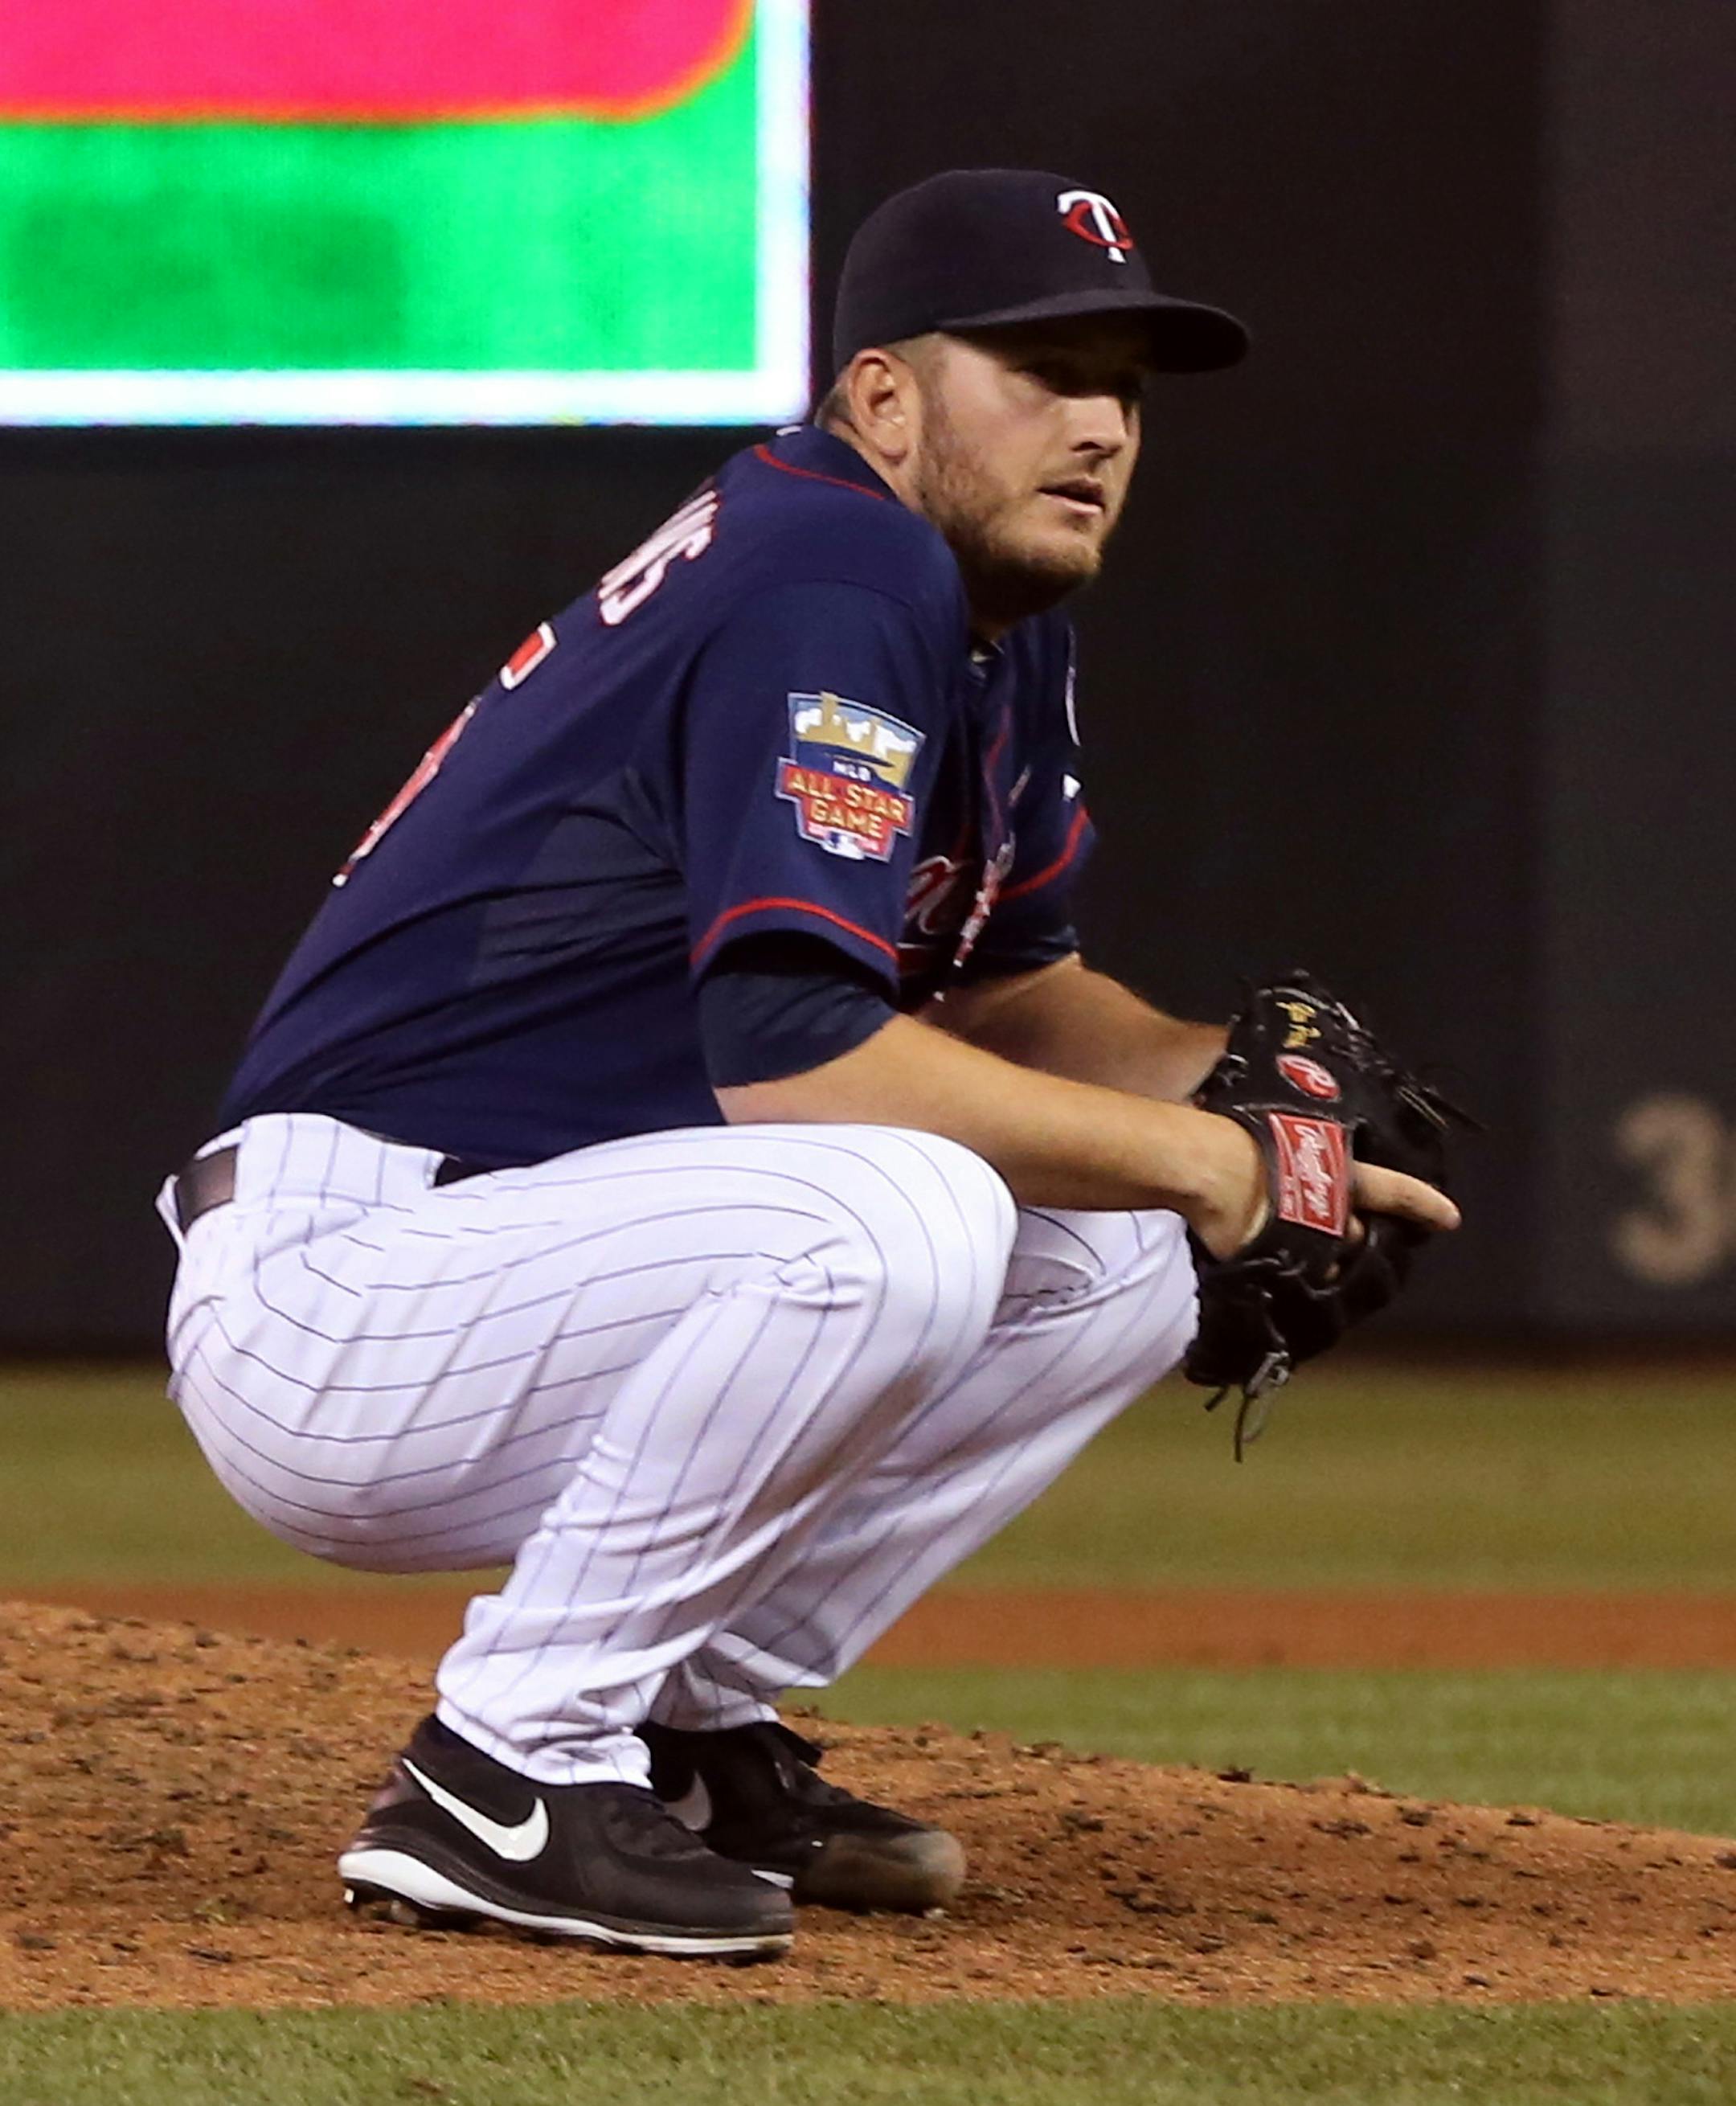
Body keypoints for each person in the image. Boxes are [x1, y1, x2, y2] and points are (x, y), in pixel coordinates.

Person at [156, 169, 1457, 1962]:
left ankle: (690, 1726)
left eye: (1127, 387)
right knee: (915, 1195)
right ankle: (503, 1769)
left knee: (1117, 1245)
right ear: (883, 397)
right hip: (351, 1287)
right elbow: (795, 1062)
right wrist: (1214, 1161)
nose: (1098, 421)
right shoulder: (836, 558)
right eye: (1040, 366)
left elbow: (1007, 996)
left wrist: (1233, 1085)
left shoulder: (989, 618)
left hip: (539, 1251)